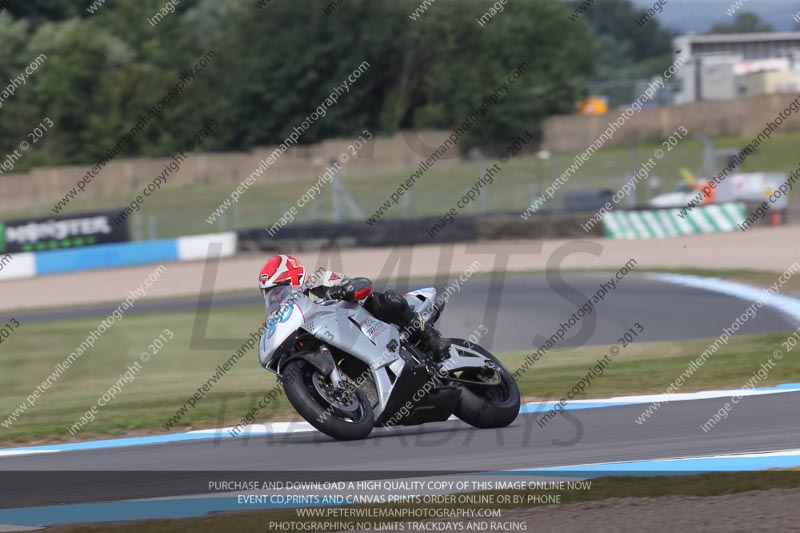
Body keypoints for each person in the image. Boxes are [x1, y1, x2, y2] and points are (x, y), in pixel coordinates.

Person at [258, 254, 451, 361]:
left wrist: (341, 291)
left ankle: (431, 338)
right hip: (342, 343)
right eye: (270, 294)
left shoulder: (318, 281)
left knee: (386, 299)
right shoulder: (282, 317)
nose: (275, 297)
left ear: (294, 280)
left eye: (278, 290)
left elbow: (362, 284)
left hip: (366, 322)